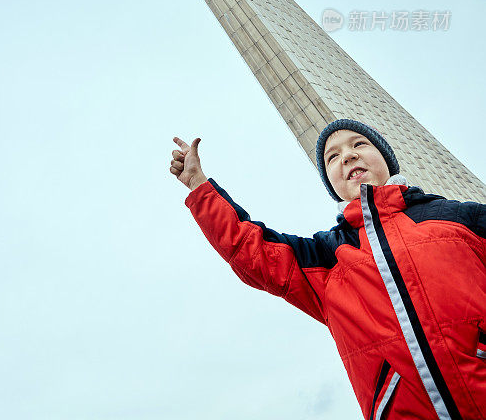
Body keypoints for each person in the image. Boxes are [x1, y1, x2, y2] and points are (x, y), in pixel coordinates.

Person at [169, 118, 486, 420]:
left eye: (359, 144)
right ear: (331, 183)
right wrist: (199, 185)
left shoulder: (458, 217)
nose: (348, 155)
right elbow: (248, 248)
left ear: (387, 159)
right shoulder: (326, 257)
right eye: (332, 156)